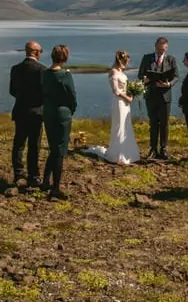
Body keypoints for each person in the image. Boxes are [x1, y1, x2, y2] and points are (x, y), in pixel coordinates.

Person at [84, 50, 140, 165]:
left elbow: (124, 87)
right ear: (121, 60)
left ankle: (127, 152)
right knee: (119, 126)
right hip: (119, 102)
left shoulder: (120, 71)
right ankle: (117, 154)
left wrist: (132, 93)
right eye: (126, 62)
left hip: (125, 103)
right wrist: (127, 98)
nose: (127, 64)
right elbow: (116, 90)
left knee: (126, 126)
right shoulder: (113, 72)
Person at [39, 44, 77, 199]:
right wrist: (71, 110)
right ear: (65, 58)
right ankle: (55, 188)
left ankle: (45, 180)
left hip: (48, 112)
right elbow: (72, 96)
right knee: (60, 150)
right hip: (62, 113)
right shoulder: (65, 75)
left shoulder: (45, 74)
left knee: (53, 147)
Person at [8, 40, 45, 187]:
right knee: (34, 145)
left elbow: (12, 91)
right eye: (40, 51)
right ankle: (33, 176)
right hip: (36, 112)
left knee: (19, 144)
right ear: (35, 52)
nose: (41, 54)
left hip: (21, 110)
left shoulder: (15, 69)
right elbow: (44, 93)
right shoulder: (42, 70)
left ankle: (18, 174)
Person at [137, 37, 178, 160]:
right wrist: (144, 79)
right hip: (151, 95)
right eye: (159, 49)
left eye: (162, 49)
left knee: (164, 124)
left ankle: (163, 149)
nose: (160, 52)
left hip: (165, 96)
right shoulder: (147, 58)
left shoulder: (171, 59)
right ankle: (153, 149)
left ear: (166, 48)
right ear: (155, 46)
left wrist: (168, 84)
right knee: (153, 123)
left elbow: (176, 76)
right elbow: (140, 74)